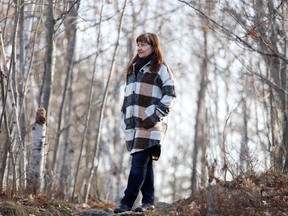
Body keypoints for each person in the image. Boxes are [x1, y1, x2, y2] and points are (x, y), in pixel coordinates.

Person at [114, 33, 176, 213]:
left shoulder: (161, 68)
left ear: (153, 47)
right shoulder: (132, 69)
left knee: (138, 163)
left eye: (144, 45)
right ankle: (148, 202)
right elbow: (128, 98)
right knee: (145, 164)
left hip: (151, 125)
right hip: (133, 126)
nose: (140, 48)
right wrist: (124, 118)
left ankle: (126, 202)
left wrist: (153, 116)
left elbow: (170, 95)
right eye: (138, 45)